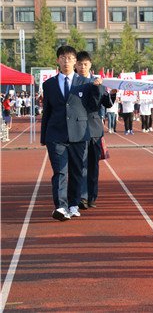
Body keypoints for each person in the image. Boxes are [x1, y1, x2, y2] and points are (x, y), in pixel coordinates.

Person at [40, 46, 102, 221]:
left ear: (75, 62)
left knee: (76, 171)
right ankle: (60, 206)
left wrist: (97, 89)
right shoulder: (49, 84)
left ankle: (73, 204)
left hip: (79, 133)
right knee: (60, 171)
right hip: (56, 135)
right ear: (58, 61)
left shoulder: (86, 83)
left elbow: (93, 106)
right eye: (62, 58)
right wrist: (44, 136)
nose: (66, 61)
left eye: (69, 58)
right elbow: (47, 111)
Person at [75, 51, 116, 209]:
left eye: (85, 64)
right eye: (80, 64)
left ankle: (91, 197)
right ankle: (82, 197)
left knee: (93, 165)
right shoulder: (73, 82)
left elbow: (107, 103)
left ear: (90, 65)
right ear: (76, 65)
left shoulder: (98, 81)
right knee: (80, 164)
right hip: (77, 129)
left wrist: (113, 93)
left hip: (94, 129)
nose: (82, 67)